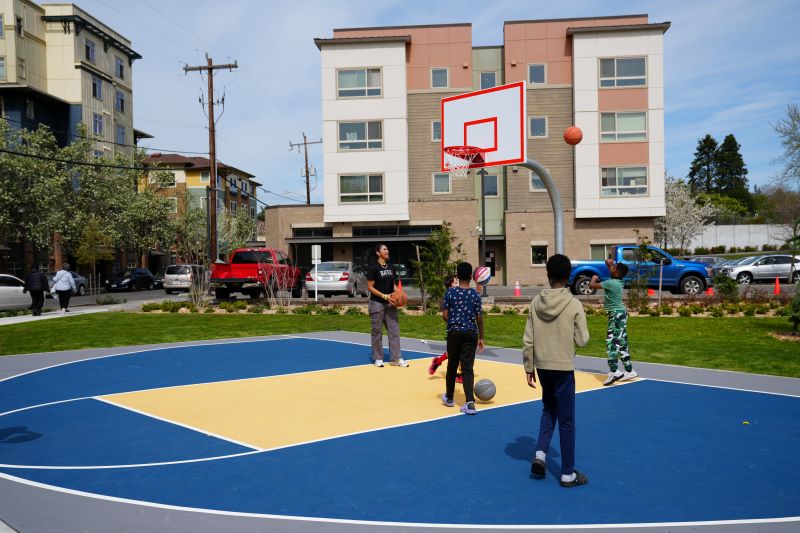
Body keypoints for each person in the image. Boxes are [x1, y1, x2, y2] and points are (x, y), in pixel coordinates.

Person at [523, 254, 590, 487]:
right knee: (567, 420)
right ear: (569, 275)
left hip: (542, 366)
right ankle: (567, 473)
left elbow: (528, 339)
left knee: (548, 409)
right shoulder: (574, 304)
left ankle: (540, 453)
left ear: (548, 275)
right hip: (562, 367)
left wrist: (529, 366)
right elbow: (582, 340)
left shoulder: (535, 302)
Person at [440, 262, 484, 415]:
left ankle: (450, 398)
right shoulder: (475, 295)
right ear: (472, 277)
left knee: (452, 364)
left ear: (457, 276)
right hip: (471, 333)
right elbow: (479, 318)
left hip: (454, 332)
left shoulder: (450, 293)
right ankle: (470, 403)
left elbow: (445, 315)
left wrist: (454, 321)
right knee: (467, 367)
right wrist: (481, 337)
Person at [590, 258, 638, 386]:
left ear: (616, 273)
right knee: (622, 343)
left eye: (613, 268)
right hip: (620, 314)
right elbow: (612, 270)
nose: (611, 268)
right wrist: (609, 264)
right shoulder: (618, 281)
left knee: (611, 343)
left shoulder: (611, 283)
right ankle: (629, 370)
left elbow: (592, 285)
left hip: (616, 316)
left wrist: (594, 277)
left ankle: (614, 371)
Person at [366, 244, 407, 367]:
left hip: (390, 303)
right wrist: (384, 296)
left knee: (394, 331)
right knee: (377, 332)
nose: (387, 251)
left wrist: (399, 293)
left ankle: (397, 358)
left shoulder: (391, 267)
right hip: (377, 303)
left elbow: (393, 285)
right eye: (384, 249)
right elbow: (370, 287)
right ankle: (378, 358)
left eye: (387, 249)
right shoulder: (373, 268)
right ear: (378, 253)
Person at [428, 275, 463, 383]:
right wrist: (454, 324)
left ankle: (439, 362)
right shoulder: (448, 296)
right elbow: (445, 315)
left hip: (463, 326)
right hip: (453, 327)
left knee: (459, 351)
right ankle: (439, 363)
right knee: (454, 353)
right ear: (450, 286)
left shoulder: (461, 293)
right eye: (455, 282)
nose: (458, 283)